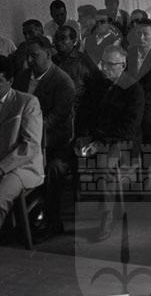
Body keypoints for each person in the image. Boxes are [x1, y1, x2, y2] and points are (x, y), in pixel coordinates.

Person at [76, 45, 144, 240]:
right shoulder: (97, 84)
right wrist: (84, 136)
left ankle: (107, 216)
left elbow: (129, 128)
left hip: (122, 141)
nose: (103, 67)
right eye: (102, 63)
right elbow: (84, 113)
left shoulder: (134, 89)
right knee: (67, 157)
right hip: (97, 137)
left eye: (109, 64)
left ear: (122, 65)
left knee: (104, 166)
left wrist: (100, 142)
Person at [12, 36, 74, 239]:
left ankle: (52, 222)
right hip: (24, 138)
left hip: (55, 142)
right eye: (27, 56)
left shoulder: (63, 82)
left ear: (48, 54)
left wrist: (24, 133)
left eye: (34, 56)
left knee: (54, 169)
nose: (29, 61)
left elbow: (52, 121)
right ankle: (16, 219)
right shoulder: (22, 77)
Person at [0, 55, 44, 229]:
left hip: (21, 167)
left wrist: (1, 167)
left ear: (10, 81)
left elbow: (30, 145)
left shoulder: (27, 102)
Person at [52, 26, 93, 101]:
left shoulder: (83, 61)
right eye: (56, 38)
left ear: (74, 41)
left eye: (63, 38)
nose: (58, 42)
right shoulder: (52, 60)